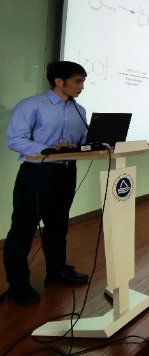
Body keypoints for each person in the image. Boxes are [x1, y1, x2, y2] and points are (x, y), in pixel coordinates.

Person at [3, 61, 90, 305]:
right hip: (37, 172)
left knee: (58, 226)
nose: (82, 87)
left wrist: (88, 144)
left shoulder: (79, 110)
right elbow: (15, 139)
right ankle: (18, 285)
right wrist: (48, 149)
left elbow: (83, 140)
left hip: (67, 172)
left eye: (83, 82)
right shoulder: (31, 105)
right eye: (77, 81)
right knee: (23, 229)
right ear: (59, 81)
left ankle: (56, 272)